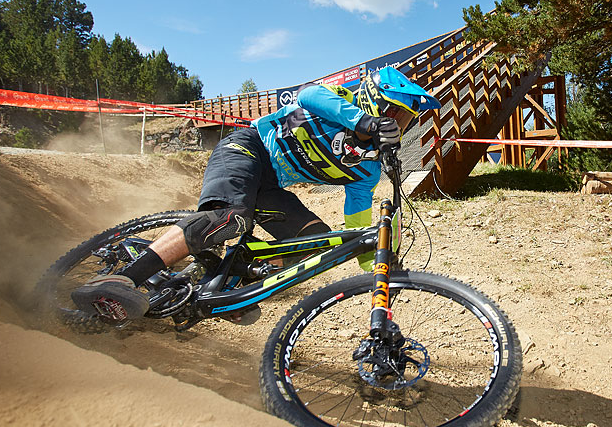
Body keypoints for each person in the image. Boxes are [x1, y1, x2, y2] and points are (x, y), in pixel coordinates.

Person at [71, 66, 440, 323]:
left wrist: (375, 269)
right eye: (395, 113)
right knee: (229, 218)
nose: (398, 124)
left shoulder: (367, 169)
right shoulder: (339, 102)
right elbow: (309, 95)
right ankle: (125, 279)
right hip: (246, 148)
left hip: (270, 186)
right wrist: (363, 122)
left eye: (405, 120)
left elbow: (356, 217)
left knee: (314, 244)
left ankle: (225, 286)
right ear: (375, 100)